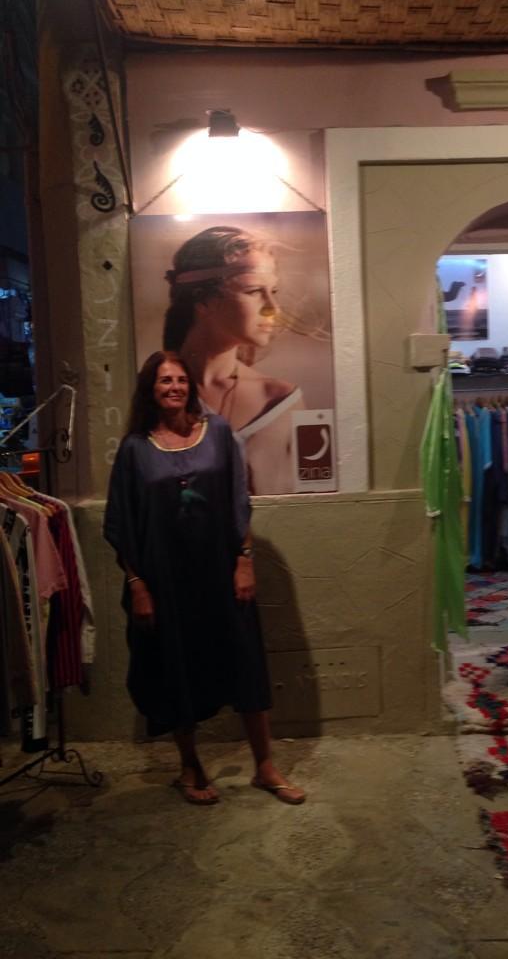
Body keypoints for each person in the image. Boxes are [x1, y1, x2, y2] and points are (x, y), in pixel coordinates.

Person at [104, 351, 305, 806]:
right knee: (176, 668)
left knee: (246, 666)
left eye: (180, 379)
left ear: (190, 386)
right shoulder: (135, 449)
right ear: (150, 389)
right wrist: (138, 585)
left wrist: (244, 561)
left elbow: (238, 502)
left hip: (222, 574)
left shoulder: (217, 433)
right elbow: (122, 523)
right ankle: (189, 766)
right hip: (166, 582)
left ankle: (265, 767)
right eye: (164, 381)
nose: (173, 387)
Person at [163, 225, 304, 494]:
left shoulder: (279, 402)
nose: (272, 308)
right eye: (253, 291)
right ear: (203, 301)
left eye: (273, 291)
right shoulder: (152, 390)